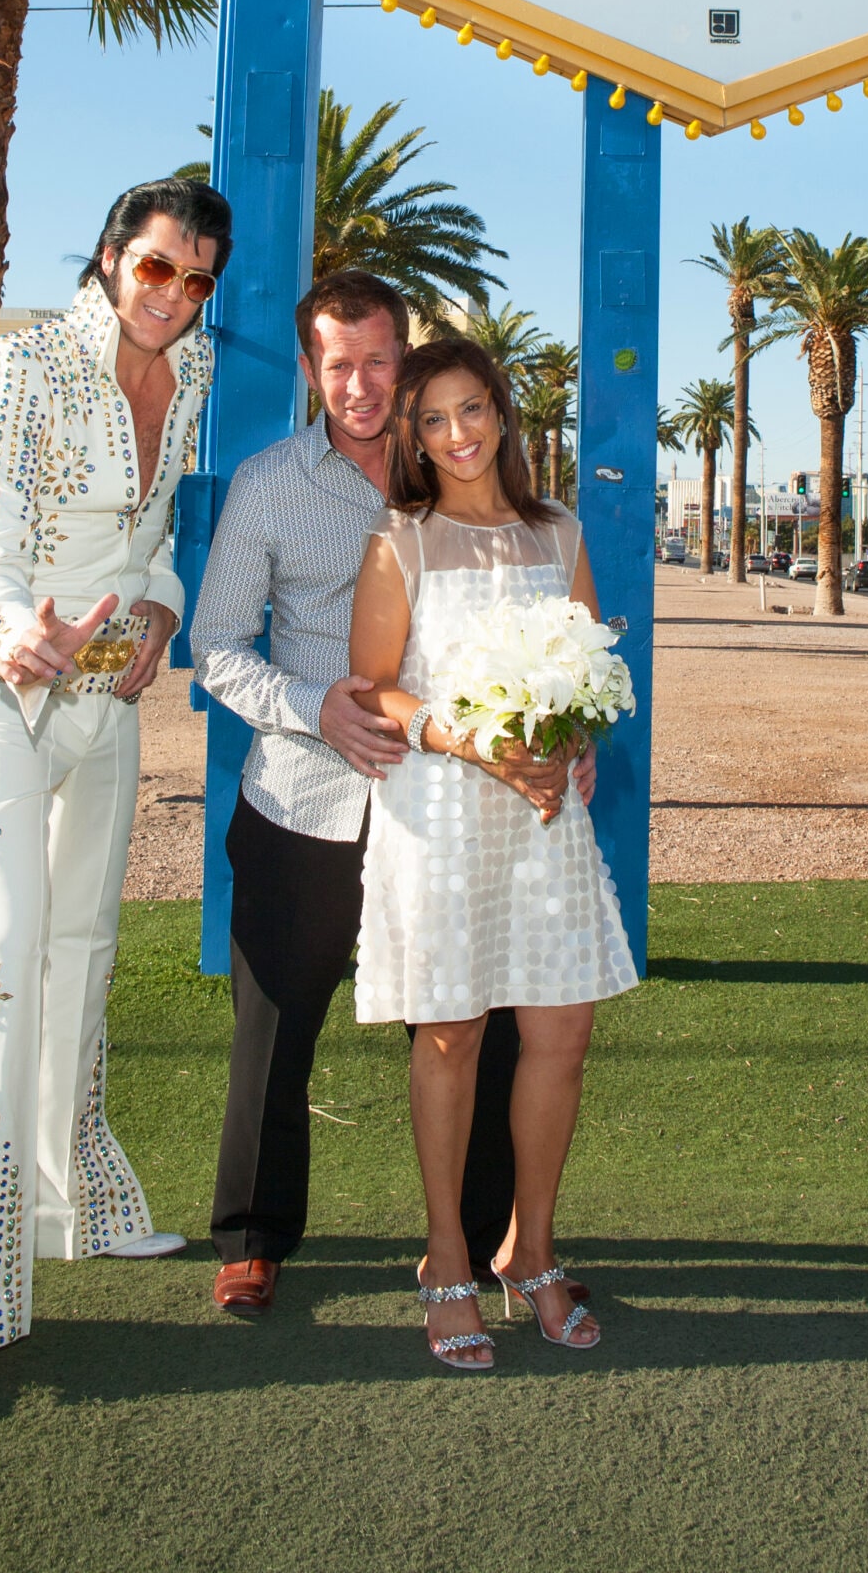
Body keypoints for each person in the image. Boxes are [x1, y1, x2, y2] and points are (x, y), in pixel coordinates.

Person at [192, 271, 596, 1317]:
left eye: (379, 360)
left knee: (477, 1028)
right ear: (310, 369)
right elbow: (215, 648)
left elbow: (549, 636)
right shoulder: (270, 483)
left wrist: (562, 733)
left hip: (459, 813)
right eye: (339, 365)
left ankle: (480, 1242)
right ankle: (253, 1237)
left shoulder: (456, 473)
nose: (362, 384)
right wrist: (308, 706)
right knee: (277, 1026)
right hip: (306, 800)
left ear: (403, 359)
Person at [0, 178, 229, 1424]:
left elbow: (151, 539)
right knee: (1, 956)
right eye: (155, 270)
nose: (174, 298)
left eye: (196, 281)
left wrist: (155, 611)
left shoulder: (189, 375)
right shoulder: (20, 369)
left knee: (86, 950)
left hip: (106, 691)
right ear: (109, 259)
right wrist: (10, 629)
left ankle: (68, 1204)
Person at [349, 336, 636, 1370]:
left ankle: (534, 1248)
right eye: (432, 419)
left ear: (503, 415)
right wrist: (475, 742)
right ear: (413, 438)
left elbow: (588, 662)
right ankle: (446, 1257)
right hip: (443, 816)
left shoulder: (557, 531)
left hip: (545, 817)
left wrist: (573, 742)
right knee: (451, 1038)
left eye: (472, 410)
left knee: (560, 1035)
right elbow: (373, 685)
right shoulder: (402, 541)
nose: (457, 434)